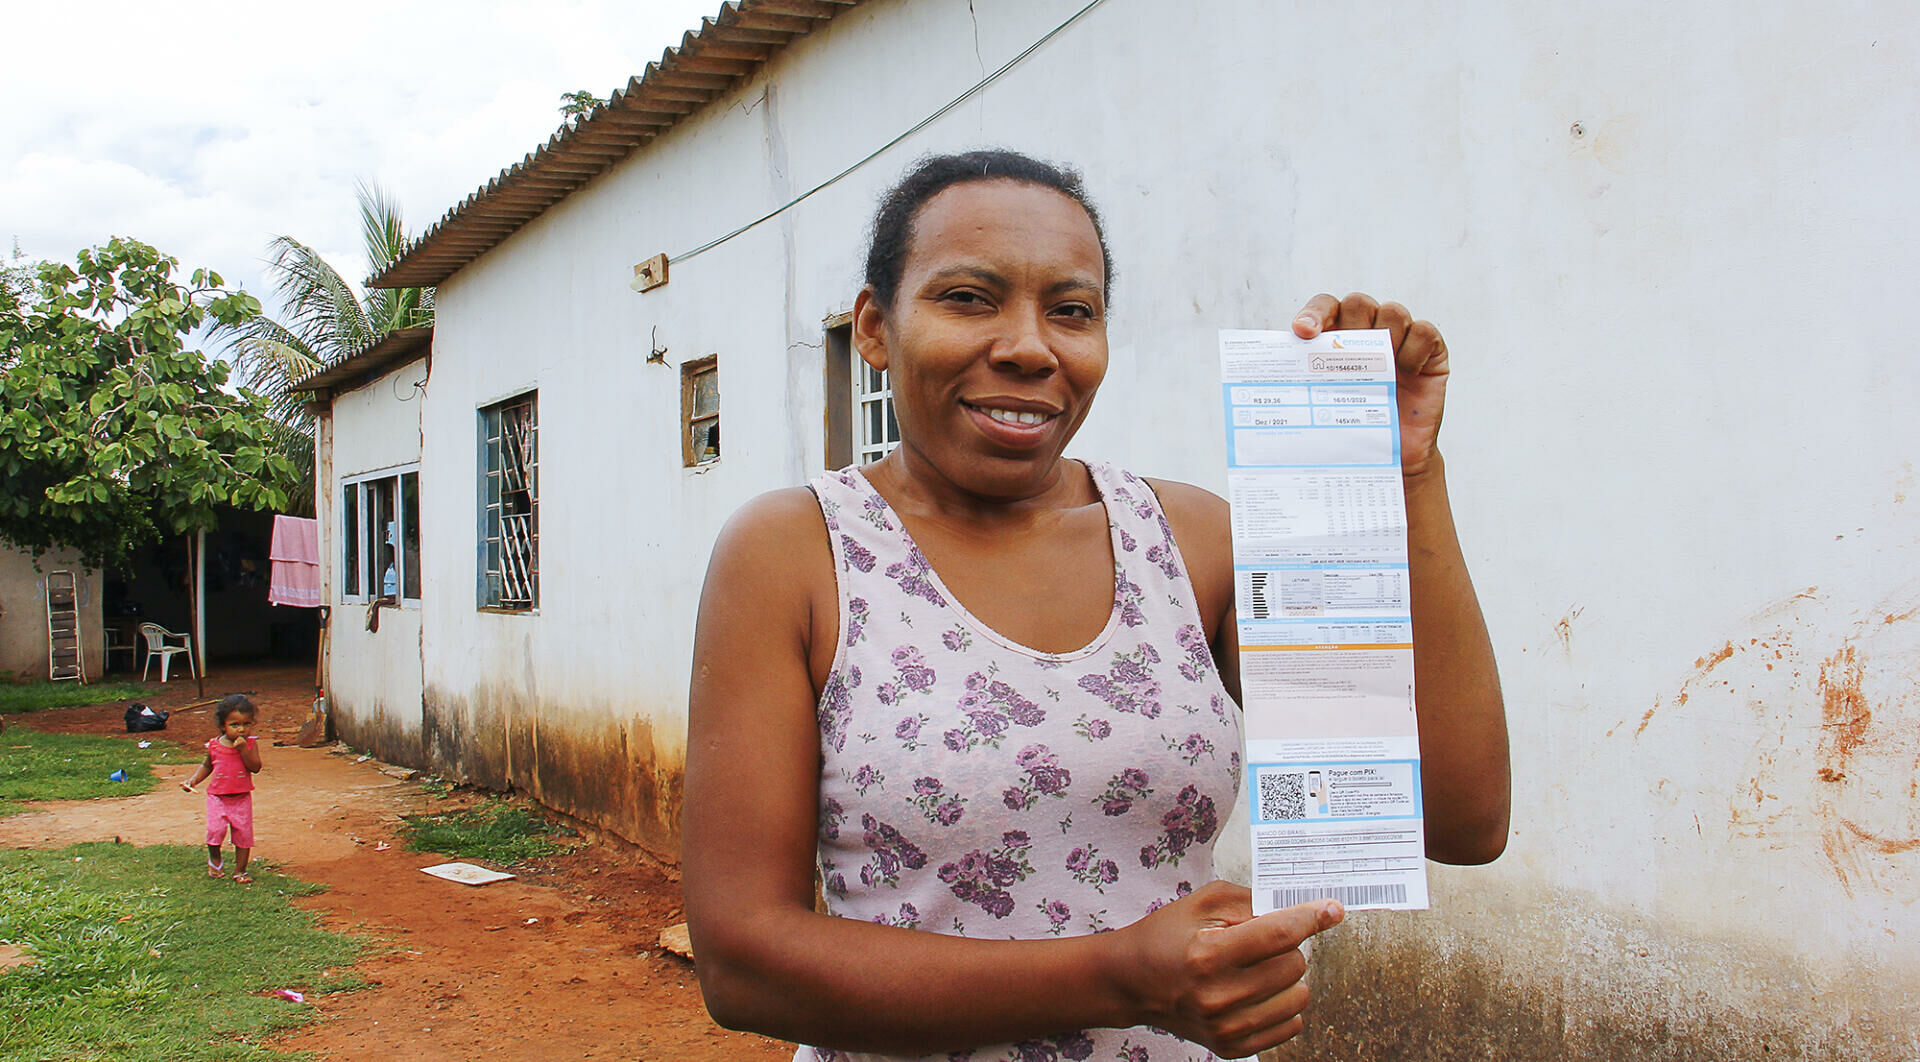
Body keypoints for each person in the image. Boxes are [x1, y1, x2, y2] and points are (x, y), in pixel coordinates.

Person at [683, 150, 1509, 1062]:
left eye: (1072, 311)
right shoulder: (796, 554)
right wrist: (1121, 976)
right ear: (875, 326)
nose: (1031, 346)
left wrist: (1408, 473)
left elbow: (1458, 819)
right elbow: (743, 961)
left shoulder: (1190, 544)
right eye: (968, 298)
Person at [182, 694, 264, 884]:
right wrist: (193, 780)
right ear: (223, 726)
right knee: (215, 831)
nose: (241, 729)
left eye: (246, 724)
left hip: (241, 798)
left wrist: (244, 750)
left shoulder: (250, 744)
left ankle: (240, 871)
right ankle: (215, 859)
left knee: (243, 835)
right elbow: (207, 766)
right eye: (234, 725)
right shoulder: (215, 746)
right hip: (217, 798)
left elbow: (255, 767)